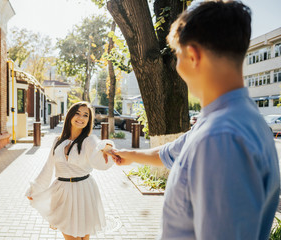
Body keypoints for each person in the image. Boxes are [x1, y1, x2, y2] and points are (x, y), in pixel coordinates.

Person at [111, 1, 280, 239]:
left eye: (177, 55)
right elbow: (171, 152)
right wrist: (128, 155)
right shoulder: (238, 120)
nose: (177, 65)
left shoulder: (220, 137)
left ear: (193, 55)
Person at [26, 101, 115, 240]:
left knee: (84, 238)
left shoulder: (89, 141)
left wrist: (106, 147)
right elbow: (48, 167)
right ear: (70, 116)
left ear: (89, 120)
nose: (81, 118)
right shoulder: (58, 141)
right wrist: (35, 188)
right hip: (61, 192)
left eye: (86, 115)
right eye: (78, 113)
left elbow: (99, 158)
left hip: (84, 190)